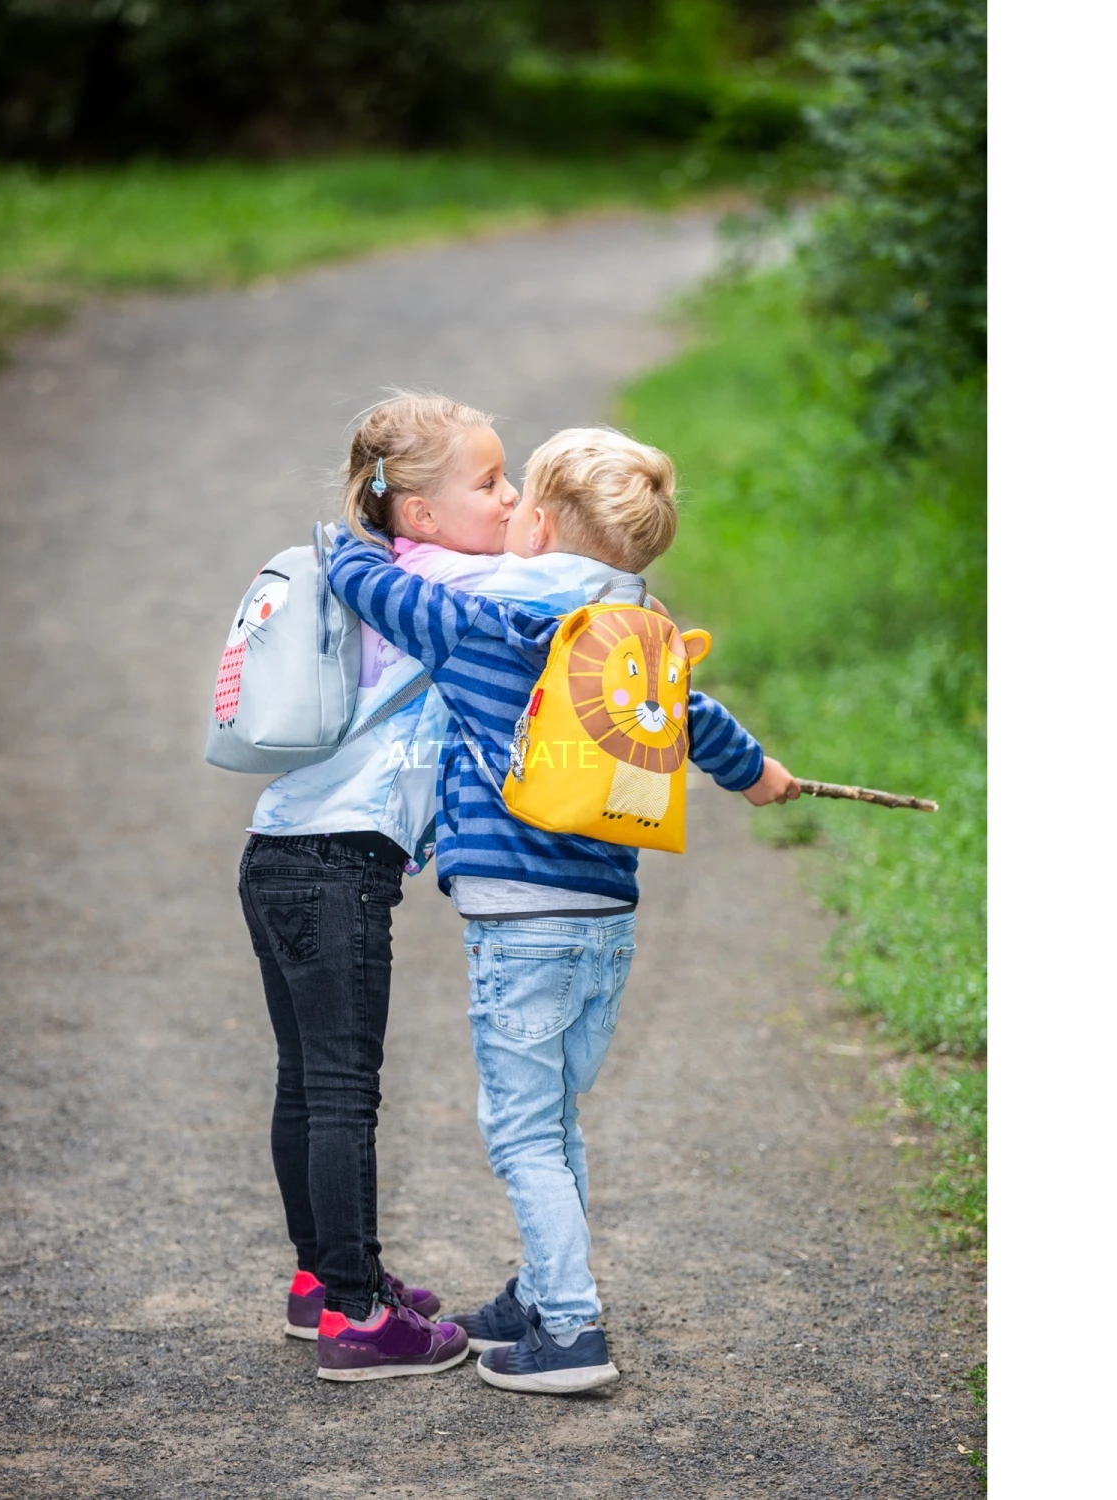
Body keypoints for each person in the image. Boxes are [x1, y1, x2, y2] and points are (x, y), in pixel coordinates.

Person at [328, 426, 801, 1393]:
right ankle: (546, 1292)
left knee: (523, 1132)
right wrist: (761, 777)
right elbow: (701, 724)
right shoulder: (640, 641)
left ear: (536, 525)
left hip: (519, 925)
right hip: (606, 923)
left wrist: (347, 538)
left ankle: (572, 1333)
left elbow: (381, 592)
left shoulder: (486, 624)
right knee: (554, 1120)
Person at [241, 392, 558, 1381]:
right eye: (491, 482)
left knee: (306, 1083)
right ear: (420, 514)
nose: (510, 501)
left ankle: (321, 1280)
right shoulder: (462, 580)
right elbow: (561, 579)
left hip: (275, 851)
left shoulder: (374, 568)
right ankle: (359, 1316)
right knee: (342, 1093)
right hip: (340, 865)